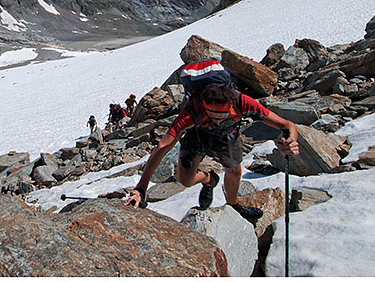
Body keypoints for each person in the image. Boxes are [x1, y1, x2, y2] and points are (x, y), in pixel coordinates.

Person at [125, 83, 299, 219]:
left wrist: (290, 141)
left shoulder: (243, 102)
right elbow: (163, 146)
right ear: (203, 105)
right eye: (212, 115)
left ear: (231, 105)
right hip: (199, 136)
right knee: (184, 179)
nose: (217, 121)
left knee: (234, 170)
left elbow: (287, 125)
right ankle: (209, 179)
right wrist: (141, 188)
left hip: (226, 137)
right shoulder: (191, 111)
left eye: (222, 116)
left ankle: (233, 205)